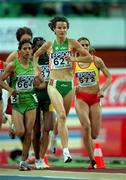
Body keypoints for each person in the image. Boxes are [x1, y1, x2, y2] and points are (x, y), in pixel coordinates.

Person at [33, 16, 93, 163]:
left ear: (67, 28)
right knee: (61, 116)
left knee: (62, 119)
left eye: (64, 27)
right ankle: (66, 152)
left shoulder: (72, 43)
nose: (62, 30)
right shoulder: (49, 44)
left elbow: (89, 58)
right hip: (54, 84)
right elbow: (35, 55)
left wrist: (74, 59)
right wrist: (36, 71)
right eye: (59, 27)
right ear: (54, 29)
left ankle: (54, 136)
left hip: (69, 85)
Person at [1, 39, 41, 171]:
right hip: (17, 100)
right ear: (20, 51)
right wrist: (10, 89)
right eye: (25, 48)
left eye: (30, 48)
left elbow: (39, 83)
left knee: (29, 132)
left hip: (30, 99)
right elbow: (1, 80)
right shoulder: (13, 65)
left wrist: (38, 80)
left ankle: (23, 162)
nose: (28, 51)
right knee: (20, 131)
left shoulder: (34, 65)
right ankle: (13, 126)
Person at [74, 37, 112, 169]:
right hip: (81, 99)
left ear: (89, 47)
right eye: (81, 45)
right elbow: (66, 78)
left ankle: (91, 155)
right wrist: (73, 86)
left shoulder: (96, 60)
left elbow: (109, 77)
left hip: (95, 99)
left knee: (94, 134)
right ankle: (92, 160)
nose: (84, 47)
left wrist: (102, 90)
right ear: (77, 47)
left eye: (86, 45)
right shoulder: (74, 62)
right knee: (86, 126)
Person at [32, 37, 57, 169]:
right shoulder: (32, 60)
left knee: (48, 128)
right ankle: (37, 158)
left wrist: (46, 83)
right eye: (38, 46)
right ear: (34, 48)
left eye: (44, 46)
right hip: (35, 96)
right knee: (36, 131)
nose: (42, 48)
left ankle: (41, 158)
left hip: (49, 95)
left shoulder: (51, 59)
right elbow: (32, 82)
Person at [5, 27, 33, 138]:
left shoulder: (33, 52)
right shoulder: (13, 56)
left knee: (32, 127)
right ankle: (11, 123)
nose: (27, 42)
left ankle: (32, 153)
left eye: (29, 39)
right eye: (23, 40)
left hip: (31, 93)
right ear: (19, 42)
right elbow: (6, 77)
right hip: (17, 91)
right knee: (21, 130)